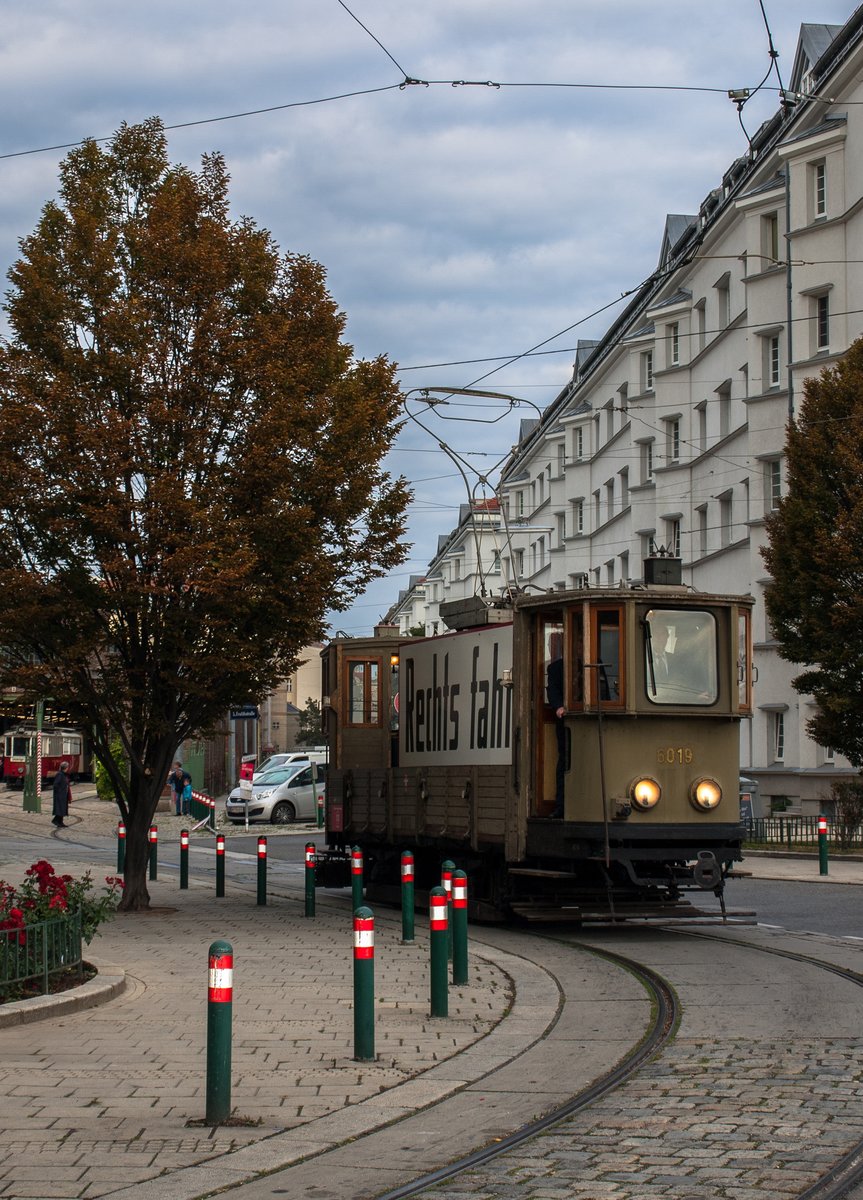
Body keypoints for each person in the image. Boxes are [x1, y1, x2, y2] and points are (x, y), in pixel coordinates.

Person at [546, 652, 565, 819]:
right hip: (567, 724)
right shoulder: (555, 668)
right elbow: (552, 692)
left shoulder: (597, 662)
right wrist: (559, 707)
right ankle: (562, 805)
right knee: (565, 762)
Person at [52, 761, 71, 828]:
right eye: (67, 767)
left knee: (62, 809)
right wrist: (59, 792)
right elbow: (55, 785)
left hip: (63, 795)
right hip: (60, 795)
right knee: (60, 809)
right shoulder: (60, 774)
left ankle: (60, 822)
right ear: (65, 768)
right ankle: (57, 821)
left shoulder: (64, 774)